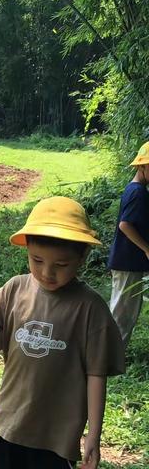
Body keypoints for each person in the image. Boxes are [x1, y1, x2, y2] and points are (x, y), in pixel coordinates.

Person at [0, 196, 125, 469]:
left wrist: (94, 435)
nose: (47, 272)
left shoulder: (90, 309)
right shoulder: (15, 289)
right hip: (8, 425)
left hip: (56, 438)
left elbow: (96, 376)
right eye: (37, 260)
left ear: (82, 256)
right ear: (27, 249)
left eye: (61, 265)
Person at [108, 141, 149, 348]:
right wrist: (147, 248)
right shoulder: (138, 192)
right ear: (141, 167)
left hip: (129, 262)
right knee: (122, 314)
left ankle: (111, 354)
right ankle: (109, 357)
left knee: (127, 311)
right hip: (127, 261)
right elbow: (126, 225)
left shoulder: (136, 189)